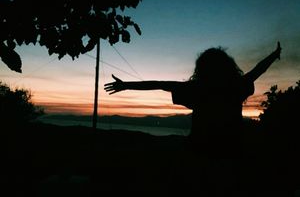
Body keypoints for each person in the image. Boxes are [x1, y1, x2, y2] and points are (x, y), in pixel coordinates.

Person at [104, 42, 281, 156]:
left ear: (202, 68)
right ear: (228, 67)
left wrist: (126, 85)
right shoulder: (237, 86)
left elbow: (158, 84)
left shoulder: (197, 89)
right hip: (232, 151)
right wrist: (274, 55)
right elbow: (259, 69)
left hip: (199, 150)